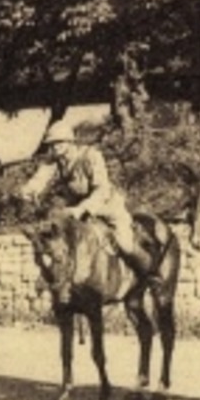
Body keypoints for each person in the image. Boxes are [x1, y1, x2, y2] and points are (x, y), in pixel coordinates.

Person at [22, 119, 164, 300]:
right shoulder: (56, 162)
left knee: (125, 244)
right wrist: (28, 190)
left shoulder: (91, 156)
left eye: (58, 143)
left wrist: (82, 208)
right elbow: (39, 178)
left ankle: (151, 276)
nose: (55, 148)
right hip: (77, 212)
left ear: (69, 142)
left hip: (107, 207)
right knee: (57, 243)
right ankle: (58, 282)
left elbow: (102, 189)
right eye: (51, 144)